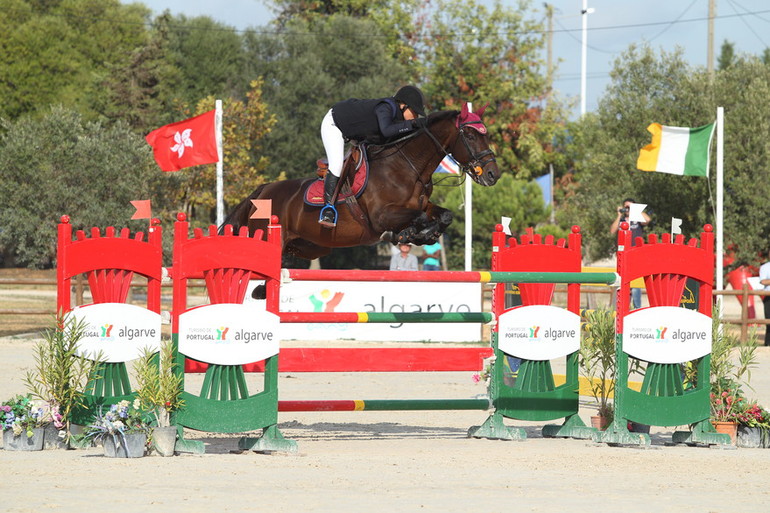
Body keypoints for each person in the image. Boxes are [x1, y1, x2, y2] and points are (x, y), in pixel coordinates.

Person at [318, 85, 428, 227]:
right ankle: (328, 209)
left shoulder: (398, 116)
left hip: (357, 132)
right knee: (337, 165)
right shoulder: (385, 107)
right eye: (415, 112)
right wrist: (414, 123)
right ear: (403, 106)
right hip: (335, 124)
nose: (416, 116)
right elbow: (387, 131)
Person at [610, 197, 651, 309]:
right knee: (623, 281)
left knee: (635, 281)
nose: (627, 209)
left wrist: (635, 209)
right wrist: (619, 215)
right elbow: (612, 230)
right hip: (624, 255)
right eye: (626, 206)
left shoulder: (637, 219)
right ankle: (623, 307)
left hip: (636, 254)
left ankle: (637, 307)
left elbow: (647, 220)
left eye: (629, 207)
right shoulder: (622, 220)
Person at [759, 256, 770, 346]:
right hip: (768, 297)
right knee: (768, 321)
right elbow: (763, 281)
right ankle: (768, 343)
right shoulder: (765, 267)